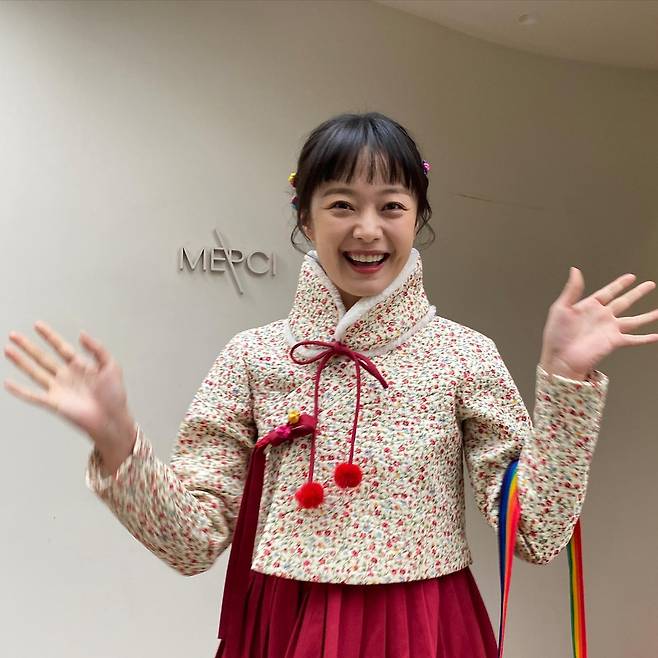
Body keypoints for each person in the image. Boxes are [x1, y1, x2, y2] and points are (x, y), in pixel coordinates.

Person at [4, 112, 658, 658]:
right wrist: (118, 441)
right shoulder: (252, 357)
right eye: (342, 204)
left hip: (425, 627)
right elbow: (192, 541)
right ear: (306, 219)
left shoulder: (464, 355)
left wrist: (565, 382)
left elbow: (536, 532)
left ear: (417, 219)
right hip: (284, 625)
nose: (367, 229)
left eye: (391, 206)